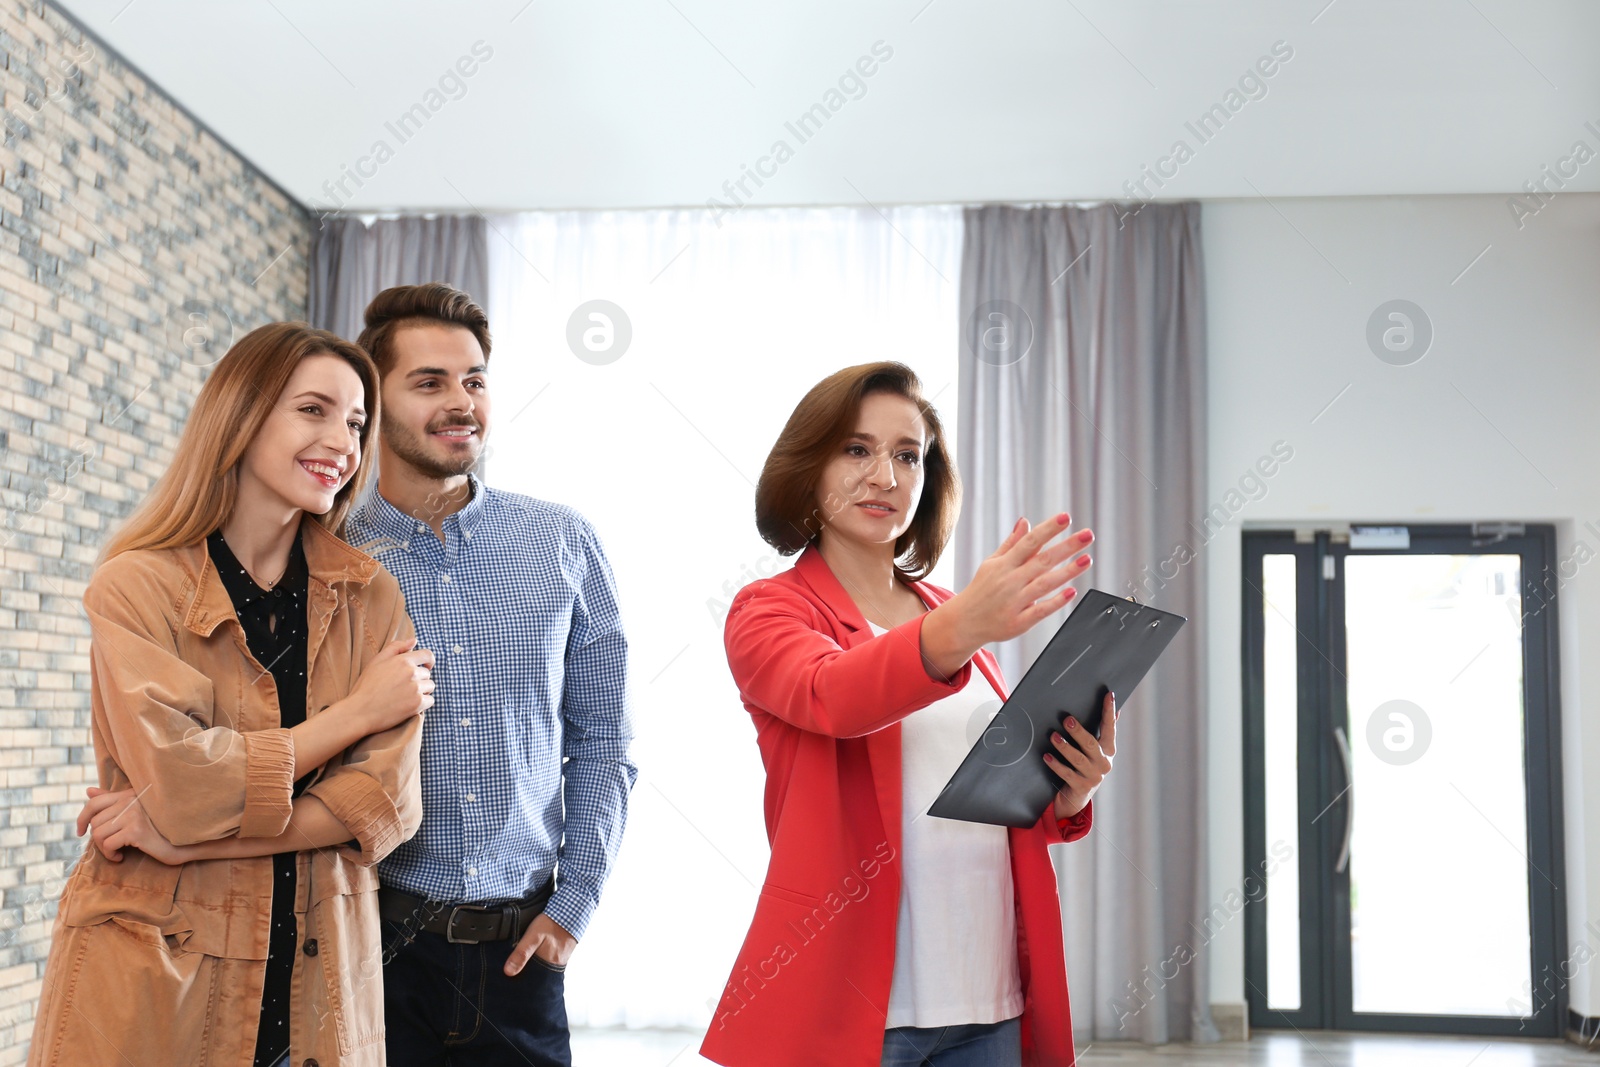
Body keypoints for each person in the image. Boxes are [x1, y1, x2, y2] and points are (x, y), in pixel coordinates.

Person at [28, 323, 434, 1067]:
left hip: (324, 993)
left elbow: (384, 806)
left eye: (355, 421)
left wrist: (183, 834)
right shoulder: (134, 587)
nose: (343, 442)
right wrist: (356, 714)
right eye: (313, 409)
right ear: (241, 417)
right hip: (155, 991)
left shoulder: (371, 595)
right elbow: (184, 783)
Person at [701, 362, 1117, 1067]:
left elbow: (977, 794)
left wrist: (1068, 791)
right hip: (859, 1009)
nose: (885, 476)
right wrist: (965, 625)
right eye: (857, 449)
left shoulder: (947, 616)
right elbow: (834, 694)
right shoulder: (769, 610)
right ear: (810, 464)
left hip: (988, 999)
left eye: (907, 454)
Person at [342, 283, 636, 1067]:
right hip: (369, 952)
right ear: (373, 401)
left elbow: (604, 741)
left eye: (474, 380)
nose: (461, 401)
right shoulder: (329, 556)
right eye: (430, 382)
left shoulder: (564, 542)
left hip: (520, 961)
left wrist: (573, 907)